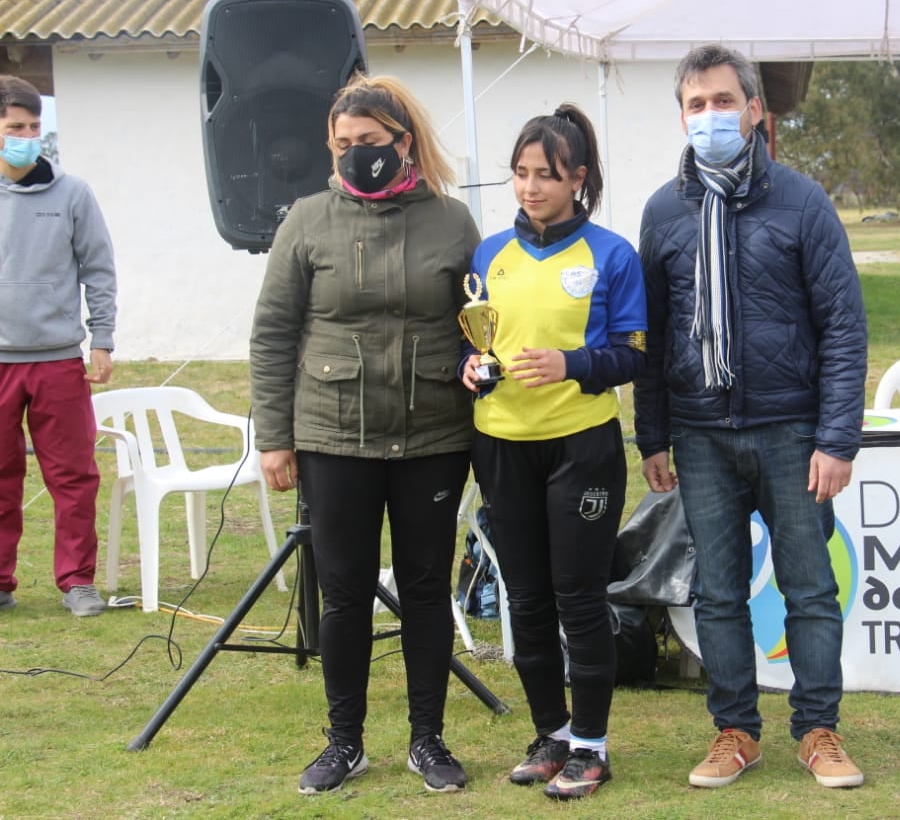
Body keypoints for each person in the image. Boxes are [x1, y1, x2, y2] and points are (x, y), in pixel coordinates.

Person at [633, 45, 868, 789]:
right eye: (697, 105)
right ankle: (735, 730)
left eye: (724, 101)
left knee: (809, 587)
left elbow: (842, 325)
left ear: (756, 109)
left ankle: (819, 730)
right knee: (718, 592)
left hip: (792, 430)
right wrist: (652, 434)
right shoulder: (664, 210)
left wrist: (836, 437)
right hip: (700, 434)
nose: (711, 117)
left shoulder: (802, 202)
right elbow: (655, 335)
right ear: (681, 115)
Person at [250, 74, 480, 796]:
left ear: (403, 143)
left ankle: (428, 739)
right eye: (343, 144)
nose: (356, 155)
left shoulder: (452, 220)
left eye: (370, 143)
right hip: (332, 437)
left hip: (433, 436)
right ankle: (343, 741)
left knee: (424, 589)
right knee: (344, 593)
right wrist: (274, 436)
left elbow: (480, 323)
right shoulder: (307, 221)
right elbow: (273, 332)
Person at [463, 103, 646, 800]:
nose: (530, 186)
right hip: (503, 446)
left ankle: (593, 745)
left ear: (579, 179)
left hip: (582, 448)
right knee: (528, 600)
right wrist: (470, 369)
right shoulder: (488, 255)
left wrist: (572, 364)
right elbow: (472, 342)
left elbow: (632, 354)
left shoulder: (611, 253)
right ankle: (551, 733)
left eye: (546, 174)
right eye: (519, 173)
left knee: (578, 597)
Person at [0, 74, 116, 618]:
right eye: (13, 127)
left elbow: (98, 268)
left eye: (32, 126)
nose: (25, 135)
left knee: (73, 477)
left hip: (58, 361)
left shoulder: (73, 194)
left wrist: (103, 339)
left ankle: (77, 582)